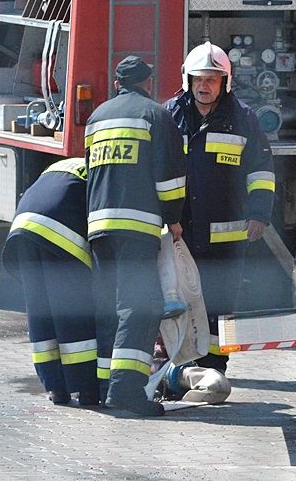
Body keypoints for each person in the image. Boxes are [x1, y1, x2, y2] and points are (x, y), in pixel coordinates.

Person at [164, 41, 275, 374]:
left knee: (220, 305)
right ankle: (180, 367)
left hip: (225, 234)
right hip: (179, 231)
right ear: (188, 80)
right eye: (199, 78)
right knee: (178, 300)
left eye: (212, 79)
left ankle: (214, 367)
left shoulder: (242, 119)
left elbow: (261, 171)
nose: (204, 86)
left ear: (225, 82)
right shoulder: (170, 115)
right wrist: (166, 218)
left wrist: (259, 213)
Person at [85, 56, 186, 417]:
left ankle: (100, 385)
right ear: (149, 81)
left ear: (116, 83)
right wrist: (174, 220)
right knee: (140, 307)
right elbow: (170, 180)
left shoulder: (97, 118)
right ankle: (126, 392)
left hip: (98, 227)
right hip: (138, 229)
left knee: (109, 307)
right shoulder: (156, 116)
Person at [2, 158, 99, 406]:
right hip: (59, 230)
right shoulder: (104, 175)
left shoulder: (70, 165)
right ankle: (88, 390)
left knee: (40, 311)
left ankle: (56, 388)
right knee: (72, 313)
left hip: (23, 227)